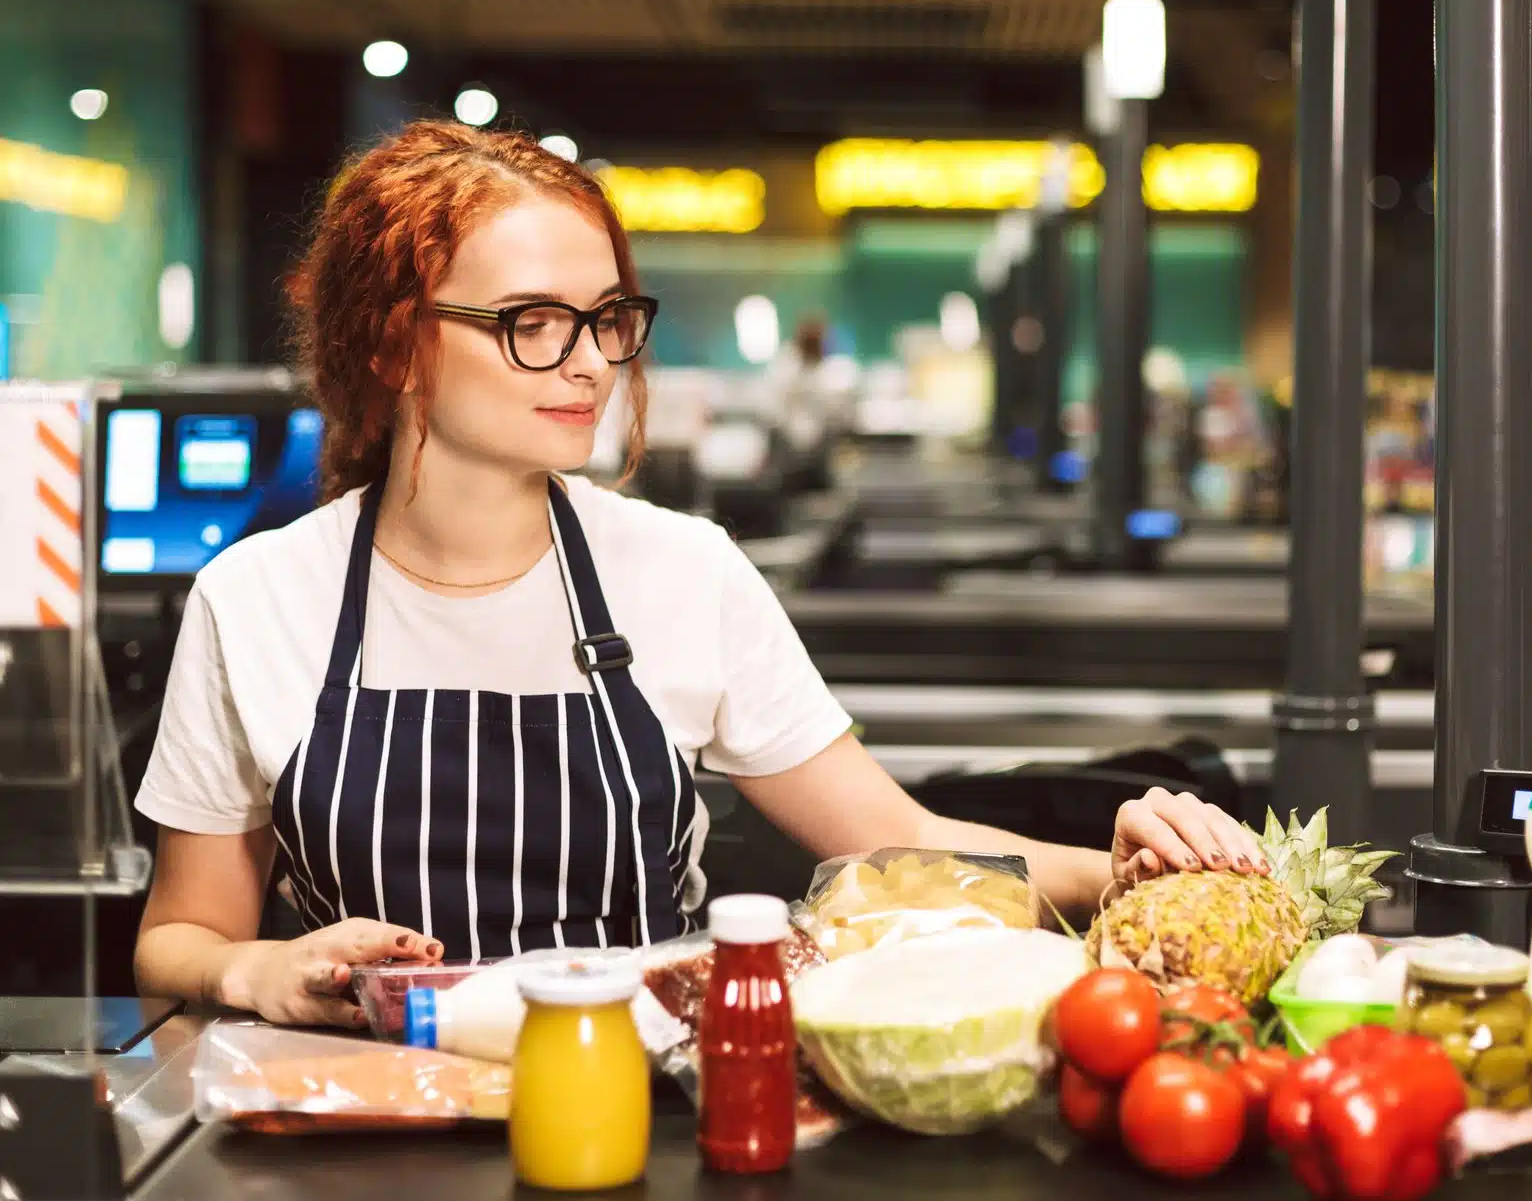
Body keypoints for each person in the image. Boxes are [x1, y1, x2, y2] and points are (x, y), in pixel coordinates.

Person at [132, 121, 1264, 1028]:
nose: (586, 363)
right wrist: (265, 972)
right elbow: (176, 939)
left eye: (608, 319)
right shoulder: (258, 599)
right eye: (532, 322)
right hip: (361, 1116)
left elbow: (885, 839)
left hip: (640, 1100)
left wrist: (1111, 867)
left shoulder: (678, 570)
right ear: (390, 343)